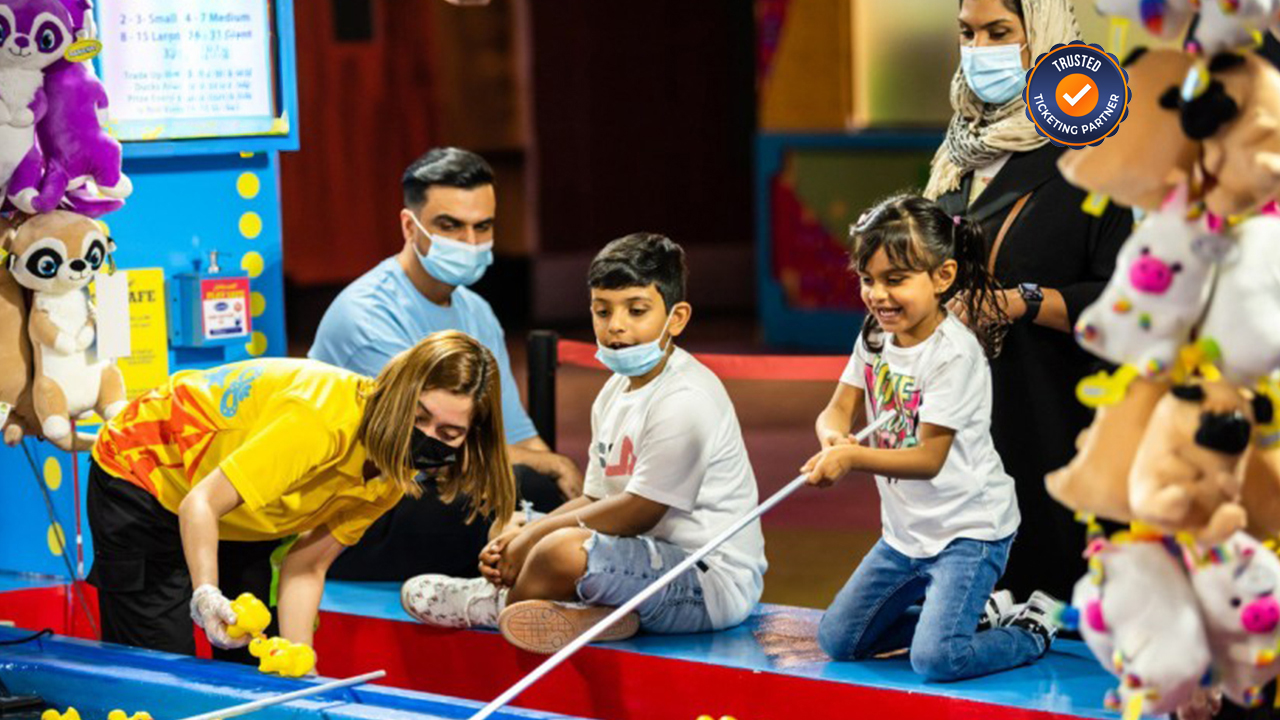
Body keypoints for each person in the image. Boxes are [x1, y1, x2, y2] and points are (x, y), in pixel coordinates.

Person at [400, 233, 768, 654]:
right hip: (642, 560)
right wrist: (524, 533)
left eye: (637, 310)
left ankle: (493, 603)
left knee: (558, 548)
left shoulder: (686, 397)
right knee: (515, 523)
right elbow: (595, 496)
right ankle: (592, 616)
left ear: (677, 317)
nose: (616, 325)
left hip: (705, 584)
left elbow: (637, 513)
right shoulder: (614, 391)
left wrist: (538, 537)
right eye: (602, 310)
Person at [86, 331, 514, 663]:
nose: (426, 438)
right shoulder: (319, 421)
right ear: (399, 396)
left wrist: (300, 666)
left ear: (470, 439)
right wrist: (206, 593)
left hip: (240, 513)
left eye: (448, 433)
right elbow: (201, 503)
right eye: (418, 418)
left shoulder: (390, 475)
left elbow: (306, 566)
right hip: (144, 473)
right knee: (163, 665)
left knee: (254, 661)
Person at [928, 0, 1131, 601]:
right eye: (967, 33)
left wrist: (1024, 301)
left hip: (1053, 413)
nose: (980, 49)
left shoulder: (1095, 154)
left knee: (1048, 595)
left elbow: (1130, 300)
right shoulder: (958, 152)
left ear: (1042, 36)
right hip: (962, 417)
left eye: (999, 32)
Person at [808, 194, 1056, 682]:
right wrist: (832, 438)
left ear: (942, 277)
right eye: (867, 279)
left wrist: (853, 458)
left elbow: (930, 458)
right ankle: (974, 615)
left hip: (969, 531)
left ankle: (1031, 628)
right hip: (906, 535)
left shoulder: (953, 355)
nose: (878, 295)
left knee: (937, 660)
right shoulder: (874, 337)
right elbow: (837, 409)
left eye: (895, 280)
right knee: (838, 640)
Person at [309, 147, 582, 581]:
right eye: (450, 226)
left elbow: (519, 440)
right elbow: (424, 452)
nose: (470, 243)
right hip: (361, 510)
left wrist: (567, 493)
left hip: (444, 481)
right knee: (487, 505)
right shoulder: (367, 315)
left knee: (546, 493)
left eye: (482, 227)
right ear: (409, 226)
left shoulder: (477, 312)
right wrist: (550, 470)